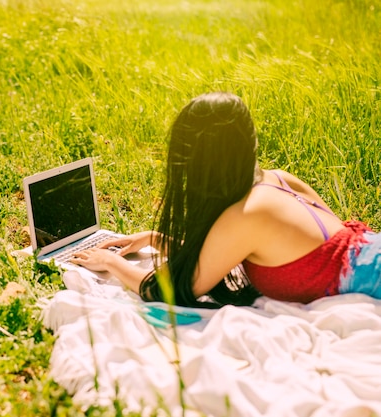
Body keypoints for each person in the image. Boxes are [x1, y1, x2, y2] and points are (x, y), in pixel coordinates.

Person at [71, 91, 380, 308]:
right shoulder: (279, 179)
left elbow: (169, 292)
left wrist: (110, 262)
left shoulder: (247, 214)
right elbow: (233, 256)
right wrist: (156, 238)